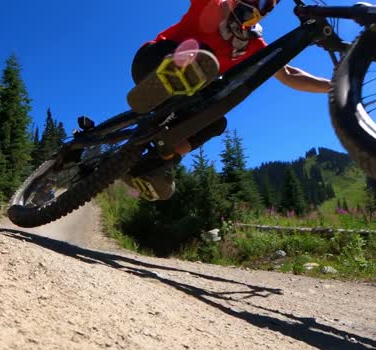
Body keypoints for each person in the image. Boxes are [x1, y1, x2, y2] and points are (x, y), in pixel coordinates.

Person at [122, 0, 332, 201]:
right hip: (151, 63)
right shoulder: (212, 4)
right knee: (201, 59)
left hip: (184, 98)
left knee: (215, 121)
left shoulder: (253, 43)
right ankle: (169, 80)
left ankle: (154, 165)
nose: (256, 5)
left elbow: (288, 75)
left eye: (265, 5)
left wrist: (334, 87)